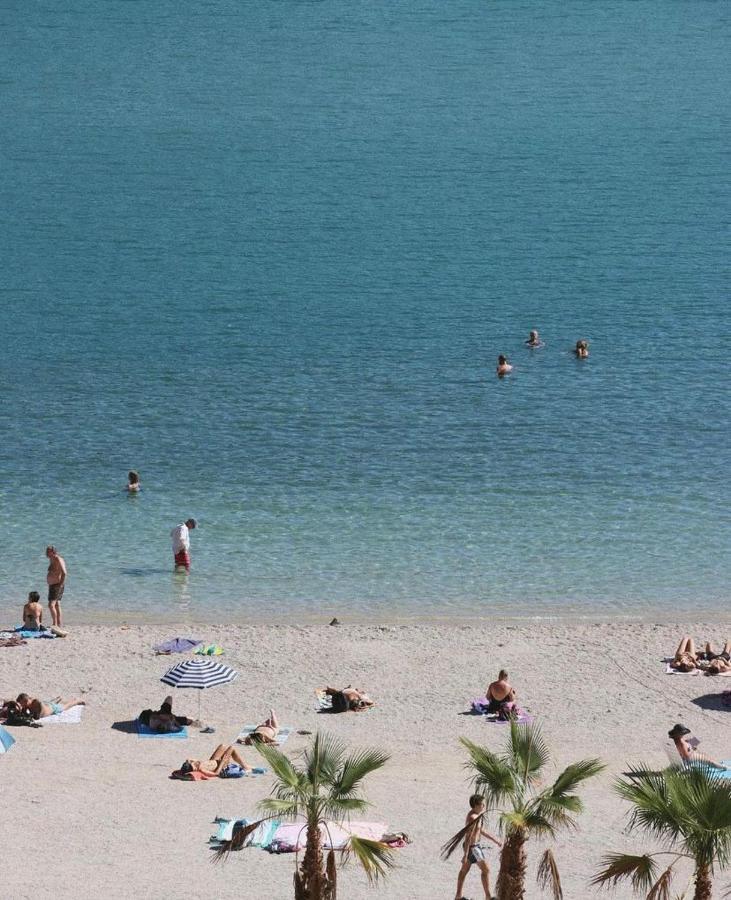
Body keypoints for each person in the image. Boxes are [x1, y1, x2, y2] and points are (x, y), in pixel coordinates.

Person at [454, 794, 501, 900]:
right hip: (473, 848)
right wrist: (465, 855)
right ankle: (488, 897)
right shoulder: (472, 817)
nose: (484, 806)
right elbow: (468, 836)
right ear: (475, 805)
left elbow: (481, 831)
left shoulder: (475, 815)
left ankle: (458, 896)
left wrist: (495, 840)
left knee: (464, 871)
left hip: (473, 847)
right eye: (482, 804)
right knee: (486, 870)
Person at [180, 744, 253, 776]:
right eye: (195, 766)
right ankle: (244, 766)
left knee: (223, 746)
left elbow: (188, 759)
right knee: (231, 748)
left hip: (214, 760)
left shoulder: (196, 764)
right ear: (194, 770)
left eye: (194, 763)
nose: (196, 764)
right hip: (221, 766)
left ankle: (244, 765)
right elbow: (216, 773)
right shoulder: (202, 770)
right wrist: (223, 761)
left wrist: (190, 762)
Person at [16, 693, 85, 720]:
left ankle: (77, 701)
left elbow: (35, 716)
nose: (22, 706)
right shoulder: (29, 705)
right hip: (47, 705)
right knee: (50, 703)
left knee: (65, 706)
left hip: (52, 708)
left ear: (26, 701)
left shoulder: (34, 703)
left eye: (23, 704)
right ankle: (58, 699)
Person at [46, 546, 67, 628]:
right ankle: (59, 624)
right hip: (52, 585)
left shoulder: (59, 559)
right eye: (46, 551)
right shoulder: (51, 559)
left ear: (53, 552)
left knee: (51, 605)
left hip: (57, 585)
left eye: (48, 551)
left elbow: (64, 572)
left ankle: (55, 624)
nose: (46, 553)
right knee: (57, 604)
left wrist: (60, 584)